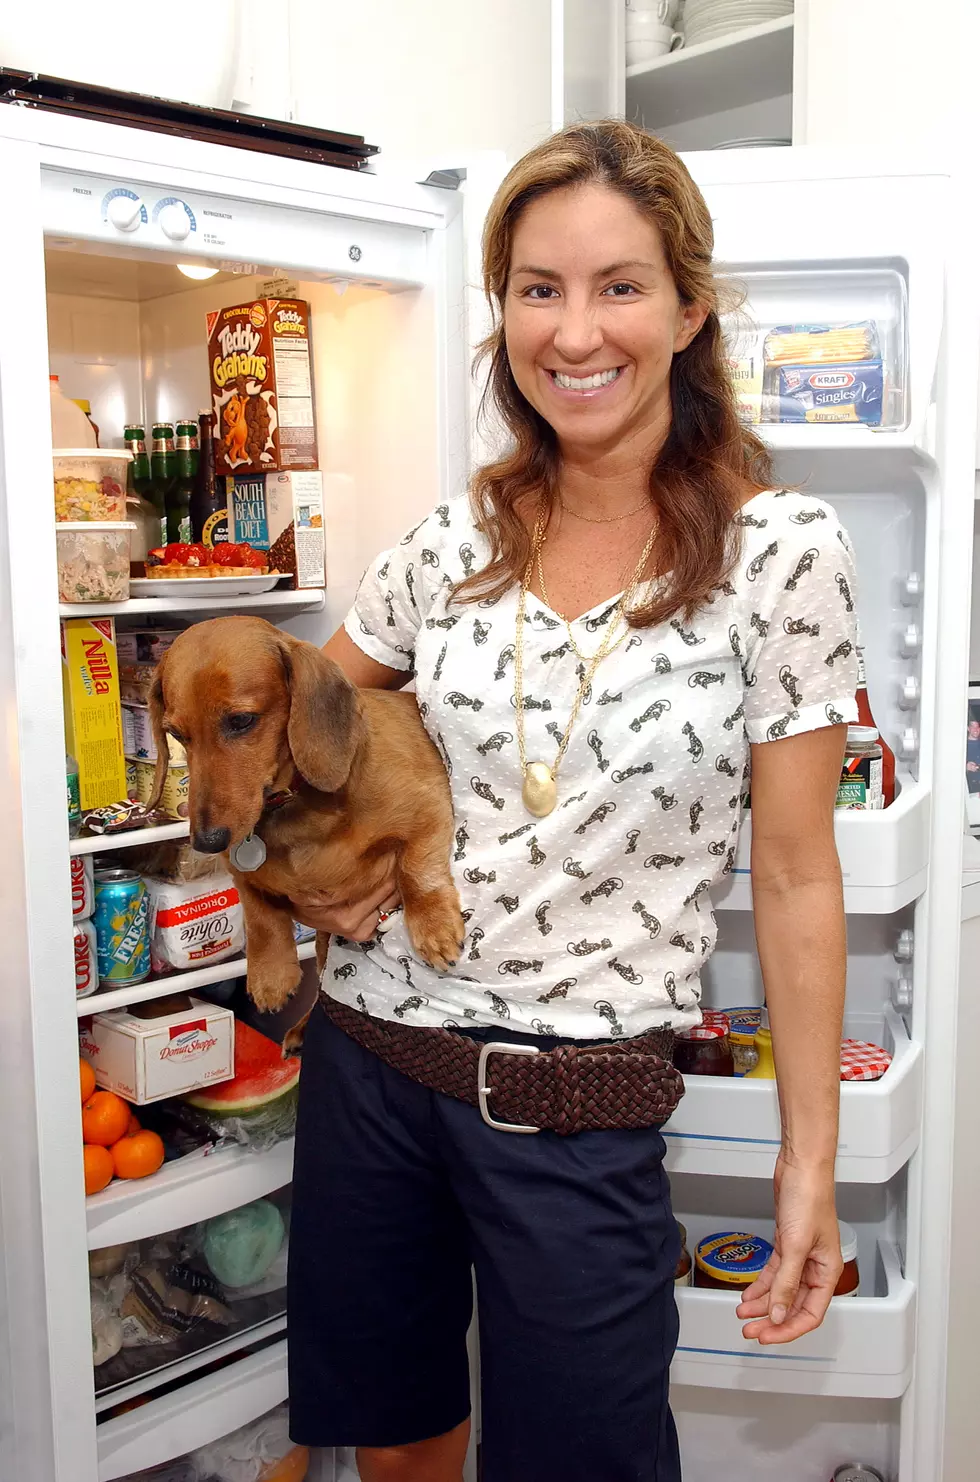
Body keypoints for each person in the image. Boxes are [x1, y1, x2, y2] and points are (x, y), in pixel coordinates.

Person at [285, 120, 859, 1482]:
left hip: (577, 1107)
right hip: (371, 1065)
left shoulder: (782, 553)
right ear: (503, 313)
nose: (576, 330)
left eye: (619, 285)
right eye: (539, 288)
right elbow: (294, 710)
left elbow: (796, 876)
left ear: (687, 306)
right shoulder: (450, 542)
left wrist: (808, 1165)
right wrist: (292, 866)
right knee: (403, 1443)